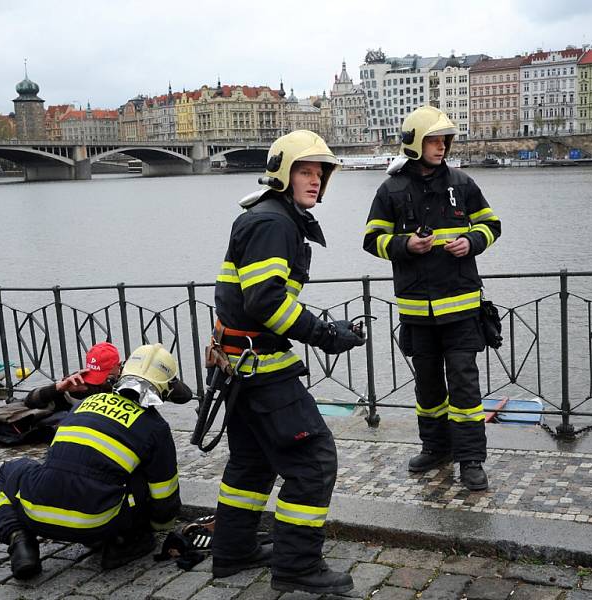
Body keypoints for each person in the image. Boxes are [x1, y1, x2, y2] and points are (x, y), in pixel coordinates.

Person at [210, 130, 364, 595]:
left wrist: (321, 329)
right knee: (314, 462)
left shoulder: (271, 217)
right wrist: (323, 333)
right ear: (283, 173)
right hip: (260, 370)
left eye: (320, 173)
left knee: (252, 465)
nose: (315, 180)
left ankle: (233, 551)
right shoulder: (274, 223)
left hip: (238, 365)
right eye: (305, 171)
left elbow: (259, 303)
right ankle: (297, 565)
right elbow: (264, 303)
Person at [362, 106, 501, 491]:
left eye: (444, 140)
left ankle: (471, 459)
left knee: (464, 386)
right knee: (427, 387)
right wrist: (407, 244)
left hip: (460, 308)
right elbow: (372, 240)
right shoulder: (390, 190)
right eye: (434, 140)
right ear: (415, 144)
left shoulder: (463, 183)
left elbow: (492, 225)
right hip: (417, 312)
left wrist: (471, 241)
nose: (441, 147)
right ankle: (435, 448)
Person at [0, 343, 188, 579]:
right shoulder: (155, 428)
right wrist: (157, 529)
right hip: (97, 523)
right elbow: (164, 498)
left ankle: (19, 539)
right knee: (139, 477)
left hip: (37, 513)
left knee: (9, 470)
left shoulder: (83, 404)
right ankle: (125, 542)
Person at [23, 341, 121, 412]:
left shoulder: (128, 381)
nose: (101, 381)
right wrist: (59, 388)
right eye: (96, 375)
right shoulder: (78, 382)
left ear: (119, 366)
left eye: (106, 375)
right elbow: (30, 401)